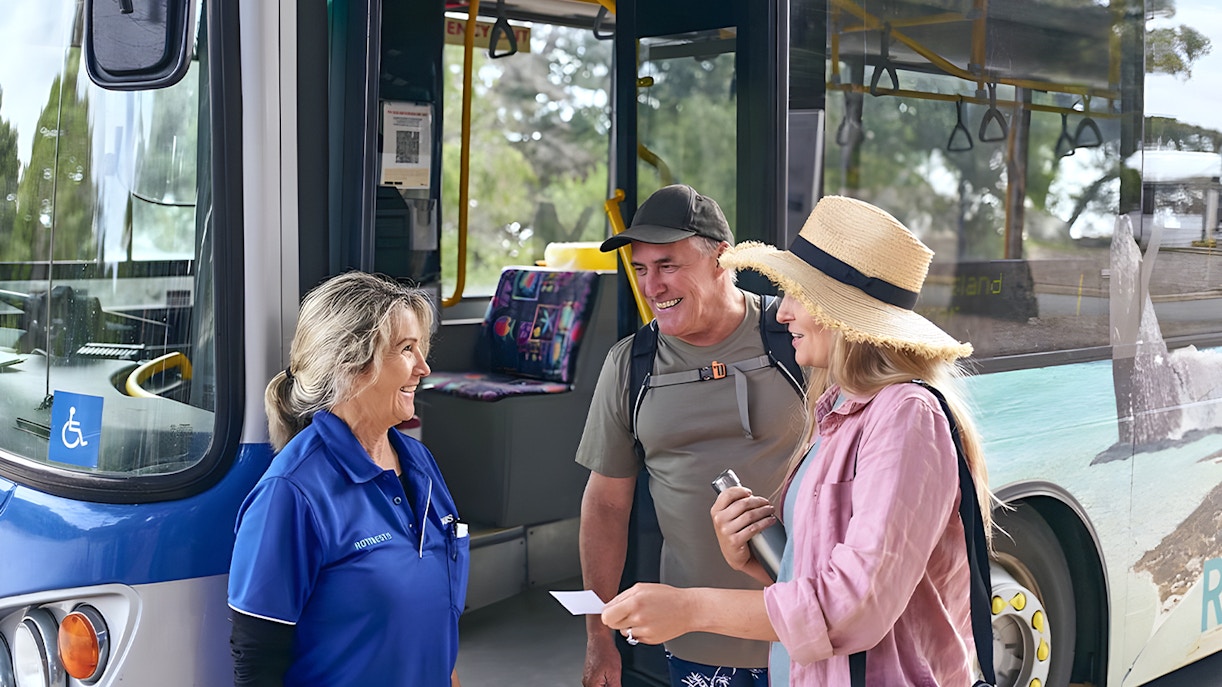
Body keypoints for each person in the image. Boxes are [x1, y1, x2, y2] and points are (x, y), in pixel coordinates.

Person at [600, 195, 993, 686]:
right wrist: (759, 557)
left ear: (840, 312)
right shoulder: (841, 412)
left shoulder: (906, 416)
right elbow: (823, 587)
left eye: (795, 295)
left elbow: (847, 609)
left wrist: (689, 607)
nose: (782, 314)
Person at [577, 184, 806, 687]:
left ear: (720, 258)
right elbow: (606, 506)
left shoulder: (796, 337)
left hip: (808, 631)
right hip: (697, 639)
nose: (651, 286)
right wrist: (599, 637)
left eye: (667, 266)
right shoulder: (628, 365)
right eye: (640, 269)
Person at [228, 271, 469, 687]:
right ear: (349, 363)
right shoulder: (291, 493)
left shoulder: (420, 463)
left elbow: (431, 624)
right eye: (406, 349)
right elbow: (257, 661)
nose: (423, 368)